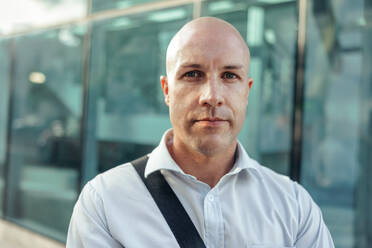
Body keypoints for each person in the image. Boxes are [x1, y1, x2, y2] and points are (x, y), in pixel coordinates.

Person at [67, 17, 334, 247]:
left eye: (230, 76)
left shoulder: (294, 207)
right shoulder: (105, 203)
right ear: (167, 90)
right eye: (193, 74)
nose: (212, 96)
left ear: (247, 91)